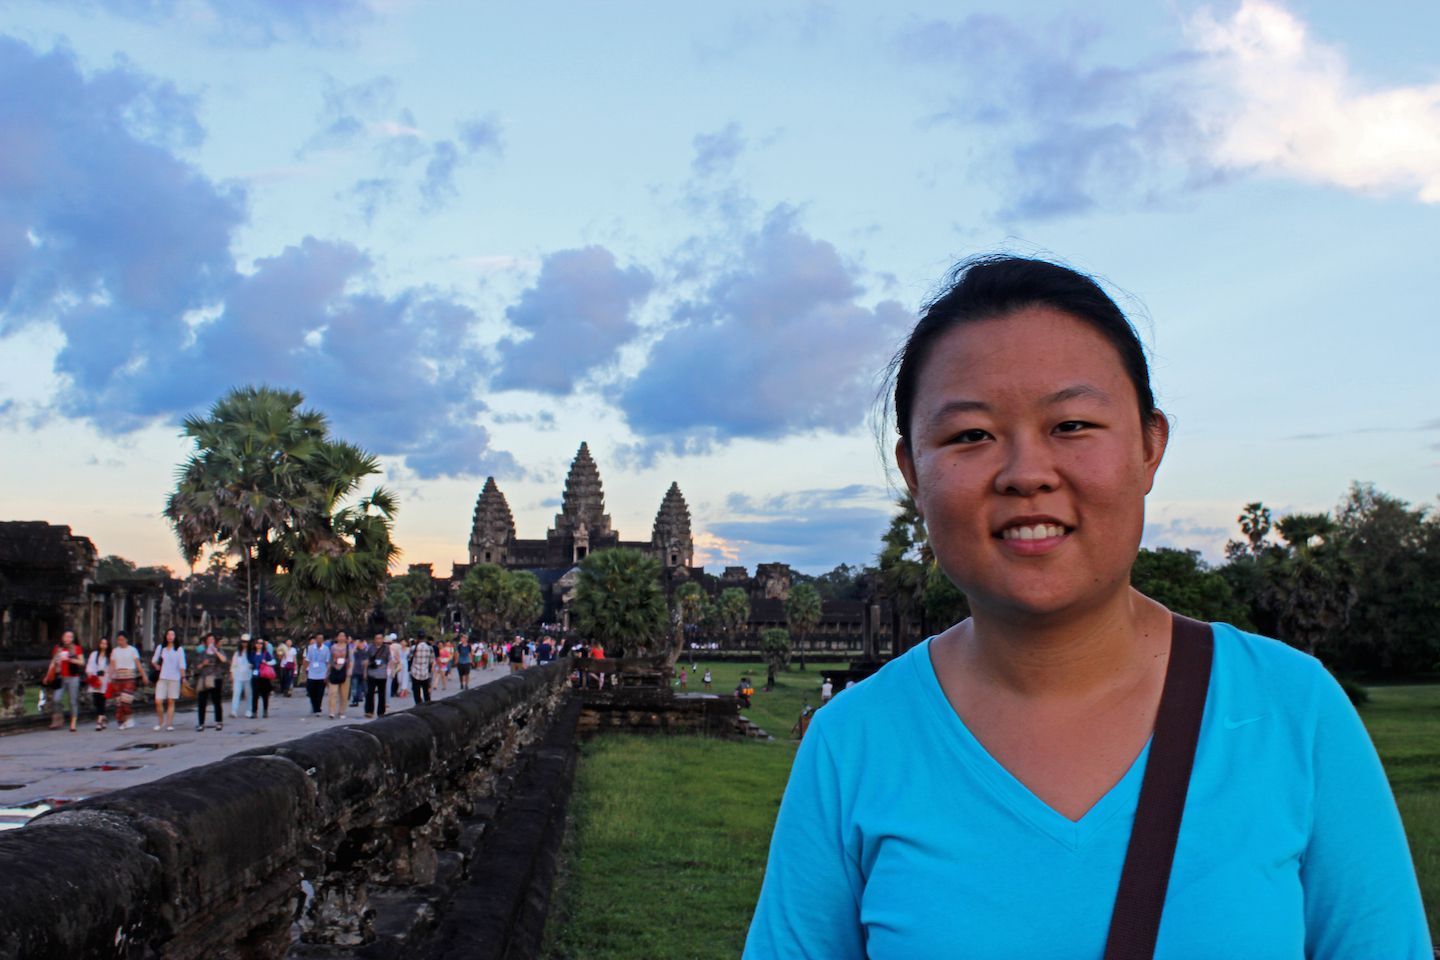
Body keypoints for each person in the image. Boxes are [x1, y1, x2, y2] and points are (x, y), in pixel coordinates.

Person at [743, 255, 1432, 958]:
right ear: (914, 474)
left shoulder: (1293, 711)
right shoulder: (852, 744)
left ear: (1149, 447)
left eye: (1071, 424)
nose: (1026, 474)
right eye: (970, 435)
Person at [107, 631, 148, 729]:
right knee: (119, 701)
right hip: (118, 678)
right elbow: (112, 665)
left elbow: (138, 664)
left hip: (129, 677)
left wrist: (144, 675)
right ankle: (122, 721)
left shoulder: (132, 650)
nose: (120, 642)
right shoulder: (115, 651)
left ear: (126, 640)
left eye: (122, 640)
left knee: (126, 700)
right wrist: (108, 676)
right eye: (118, 640)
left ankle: (129, 717)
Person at [47, 630, 85, 731]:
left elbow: (82, 662)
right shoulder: (58, 649)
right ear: (62, 638)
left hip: (73, 677)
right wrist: (49, 673)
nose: (67, 639)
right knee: (56, 699)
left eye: (70, 637)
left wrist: (70, 659)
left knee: (73, 701)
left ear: (73, 639)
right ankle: (58, 718)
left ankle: (73, 722)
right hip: (60, 677)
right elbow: (53, 662)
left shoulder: (77, 648)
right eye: (66, 636)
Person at [150, 629, 186, 731]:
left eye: (172, 634)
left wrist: (183, 677)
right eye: (168, 634)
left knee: (171, 701)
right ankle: (161, 722)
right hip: (162, 677)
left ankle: (169, 724)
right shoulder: (161, 648)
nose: (170, 636)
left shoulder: (179, 649)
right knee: (158, 701)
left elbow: (182, 665)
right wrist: (157, 666)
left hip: (174, 678)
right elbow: (153, 660)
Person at [193, 633, 227, 731]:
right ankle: (201, 723)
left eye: (212, 640)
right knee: (201, 701)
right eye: (209, 640)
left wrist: (216, 652)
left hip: (216, 678)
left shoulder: (219, 651)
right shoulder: (202, 653)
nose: (211, 641)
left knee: (216, 701)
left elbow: (224, 660)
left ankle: (219, 722)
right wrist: (203, 664)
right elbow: (197, 666)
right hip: (204, 678)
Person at [84, 635, 110, 730]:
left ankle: (99, 720)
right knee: (96, 700)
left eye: (105, 643)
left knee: (102, 699)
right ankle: (103, 717)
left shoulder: (109, 657)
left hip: (105, 679)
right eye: (102, 643)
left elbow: (110, 669)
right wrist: (90, 674)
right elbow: (90, 666)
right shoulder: (94, 654)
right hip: (95, 678)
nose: (103, 645)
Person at [302, 634, 330, 717]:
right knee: (311, 691)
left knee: (320, 692)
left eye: (321, 639)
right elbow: (307, 660)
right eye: (318, 638)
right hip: (312, 673)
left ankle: (318, 708)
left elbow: (328, 662)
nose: (319, 640)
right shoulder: (310, 648)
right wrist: (304, 671)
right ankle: (314, 706)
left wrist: (327, 674)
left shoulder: (326, 649)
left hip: (322, 673)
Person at [326, 633, 351, 719]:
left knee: (344, 694)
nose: (341, 638)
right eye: (339, 636)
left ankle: (342, 711)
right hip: (334, 670)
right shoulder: (333, 647)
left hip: (345, 671)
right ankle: (332, 711)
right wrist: (328, 671)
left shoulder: (348, 647)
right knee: (332, 692)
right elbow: (330, 660)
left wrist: (349, 670)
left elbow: (351, 660)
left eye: (343, 636)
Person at [365, 633, 390, 718]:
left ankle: (381, 711)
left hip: (382, 674)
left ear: (382, 639)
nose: (378, 640)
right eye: (377, 638)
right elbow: (367, 659)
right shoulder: (370, 648)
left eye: (380, 638)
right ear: (374, 639)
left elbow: (389, 659)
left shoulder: (386, 648)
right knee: (370, 693)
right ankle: (369, 711)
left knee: (382, 693)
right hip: (371, 673)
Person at [230, 634, 253, 717]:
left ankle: (249, 710)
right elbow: (233, 665)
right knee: (236, 693)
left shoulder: (251, 653)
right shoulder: (237, 653)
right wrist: (232, 675)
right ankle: (234, 710)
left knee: (249, 694)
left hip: (249, 676)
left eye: (246, 642)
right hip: (238, 676)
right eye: (243, 642)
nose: (245, 644)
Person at [409, 633, 434, 704]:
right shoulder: (430, 648)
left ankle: (418, 705)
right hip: (425, 673)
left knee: (416, 692)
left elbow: (409, 658)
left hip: (415, 673)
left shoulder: (413, 648)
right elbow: (431, 661)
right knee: (426, 692)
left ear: (417, 637)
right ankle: (427, 706)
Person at [349, 635, 369, 709]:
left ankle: (363, 699)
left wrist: (365, 672)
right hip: (355, 671)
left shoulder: (365, 651)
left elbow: (366, 661)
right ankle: (355, 700)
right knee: (354, 686)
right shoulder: (354, 651)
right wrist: (355, 646)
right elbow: (350, 654)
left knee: (362, 687)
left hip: (362, 671)